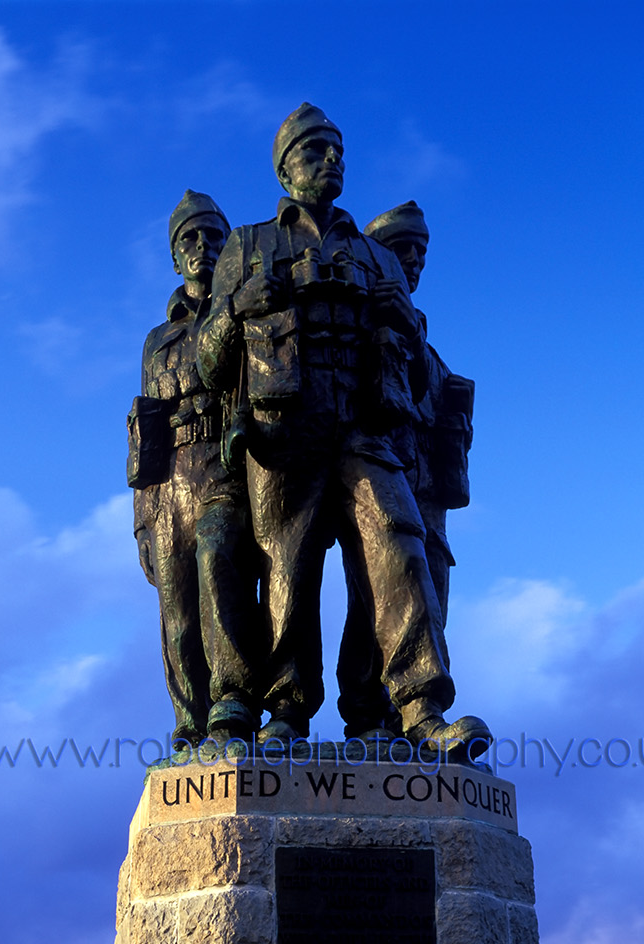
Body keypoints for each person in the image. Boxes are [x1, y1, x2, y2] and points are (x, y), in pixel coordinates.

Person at [197, 104, 465, 751]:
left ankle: (418, 707)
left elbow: (423, 381)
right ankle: (287, 709)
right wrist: (235, 308)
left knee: (398, 541)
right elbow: (209, 360)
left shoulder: (376, 258)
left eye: (337, 151)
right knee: (288, 569)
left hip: (364, 425)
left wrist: (401, 315)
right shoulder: (249, 244)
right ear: (285, 166)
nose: (331, 161)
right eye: (315, 151)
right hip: (284, 426)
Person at [336, 201, 475, 738]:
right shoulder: (358, 333)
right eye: (401, 251)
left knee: (428, 600)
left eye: (420, 253)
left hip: (428, 497)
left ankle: (401, 722)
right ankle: (369, 714)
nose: (412, 261)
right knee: (374, 596)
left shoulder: (429, 352)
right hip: (374, 475)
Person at [130, 190, 260, 749]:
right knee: (177, 609)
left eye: (212, 235)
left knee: (217, 556)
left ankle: (233, 703)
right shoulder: (156, 340)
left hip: (224, 467)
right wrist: (141, 522)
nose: (202, 246)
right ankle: (189, 720)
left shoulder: (244, 308)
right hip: (168, 485)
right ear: (175, 253)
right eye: (190, 237)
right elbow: (145, 428)